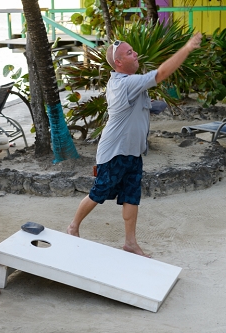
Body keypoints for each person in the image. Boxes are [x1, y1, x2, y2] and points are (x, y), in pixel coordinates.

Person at [67, 33, 203, 257]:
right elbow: (161, 73)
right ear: (119, 62)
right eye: (129, 53)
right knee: (98, 193)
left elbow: (134, 106)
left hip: (132, 152)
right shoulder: (125, 83)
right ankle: (73, 226)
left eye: (133, 50)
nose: (135, 53)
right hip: (114, 152)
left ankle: (130, 243)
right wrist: (187, 47)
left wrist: (150, 106)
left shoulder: (125, 83)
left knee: (131, 197)